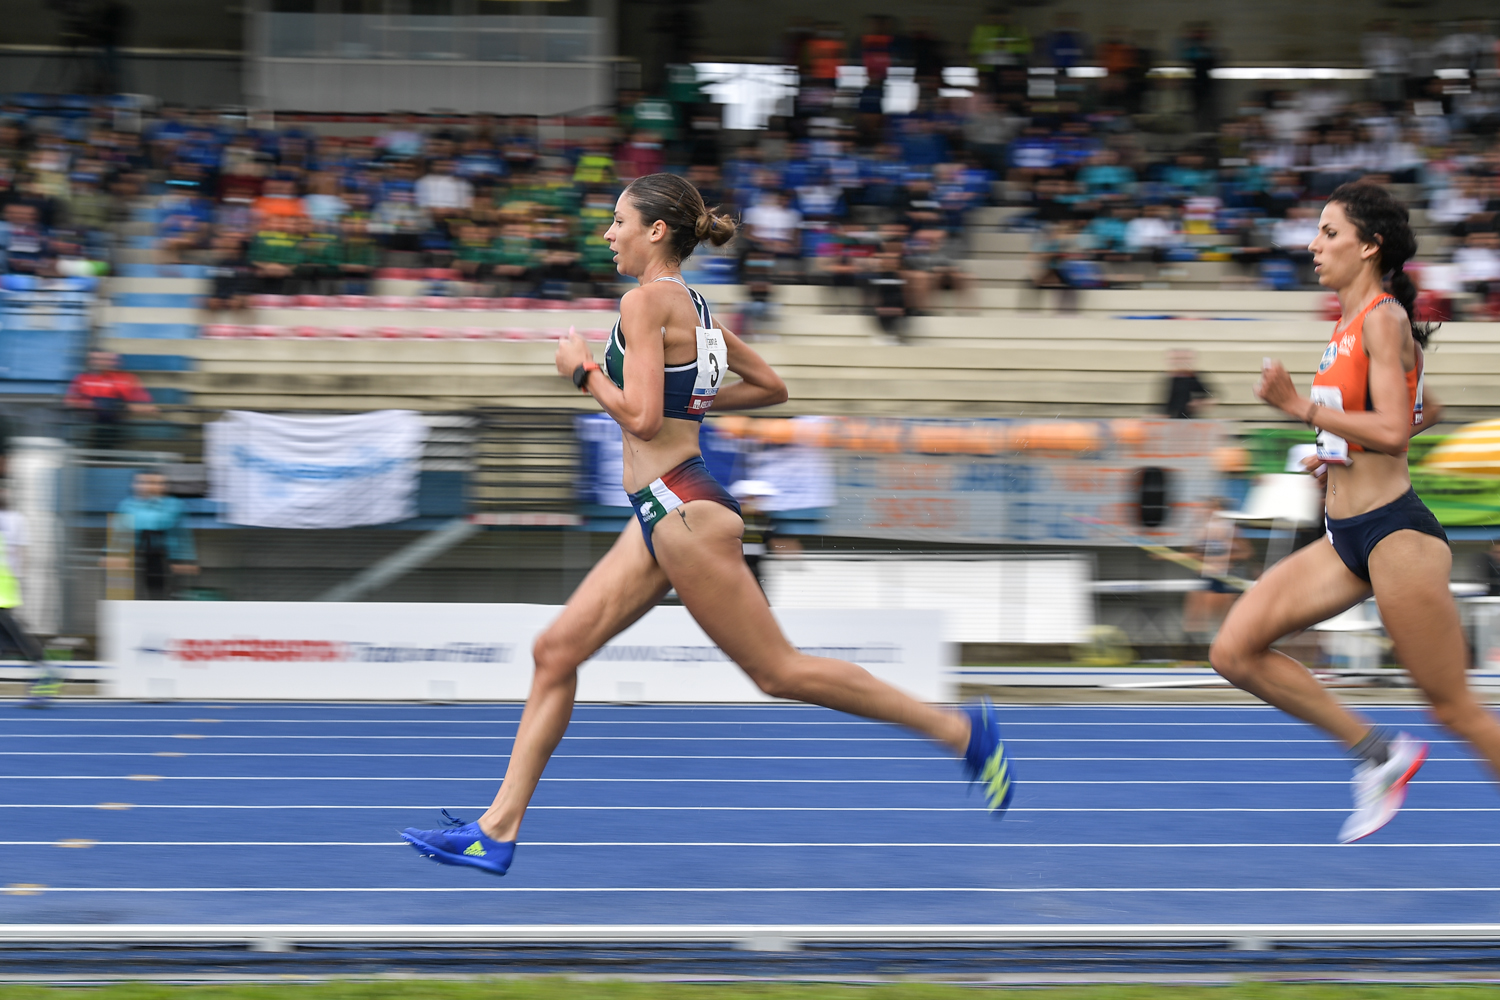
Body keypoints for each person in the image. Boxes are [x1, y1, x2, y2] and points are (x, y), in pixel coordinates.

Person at [400, 173, 1016, 876]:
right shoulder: (693, 308)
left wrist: (582, 373)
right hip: (663, 508)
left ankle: (960, 732)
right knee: (556, 652)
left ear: (655, 230)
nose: (608, 234)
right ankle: (497, 830)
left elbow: (642, 420)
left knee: (778, 672)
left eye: (618, 221)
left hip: (681, 511)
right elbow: (771, 388)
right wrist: (689, 402)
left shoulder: (643, 303)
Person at [1210, 181, 1500, 844]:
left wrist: (1300, 408)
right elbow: (1427, 409)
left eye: (1329, 232)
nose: (1314, 245)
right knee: (1234, 651)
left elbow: (1395, 430)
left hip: (1396, 535)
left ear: (1369, 246)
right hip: (1346, 538)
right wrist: (1336, 450)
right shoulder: (1347, 325)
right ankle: (1378, 754)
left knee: (1453, 708)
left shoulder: (1382, 318)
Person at [107, 472, 198, 601]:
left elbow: (182, 535)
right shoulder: (127, 505)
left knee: (161, 593)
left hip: (164, 556)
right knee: (130, 593)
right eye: (143, 482)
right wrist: (114, 555)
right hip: (135, 555)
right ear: (134, 485)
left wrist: (184, 559)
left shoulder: (174, 505)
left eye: (156, 483)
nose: (149, 487)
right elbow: (119, 533)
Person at [65, 351, 157, 450]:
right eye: (96, 359)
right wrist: (95, 404)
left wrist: (118, 405)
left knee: (112, 411)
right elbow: (69, 402)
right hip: (89, 422)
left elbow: (146, 406)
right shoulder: (82, 378)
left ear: (115, 362)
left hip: (117, 422)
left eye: (107, 360)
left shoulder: (127, 378)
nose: (101, 362)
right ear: (90, 361)